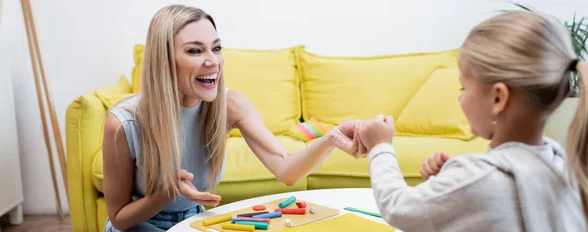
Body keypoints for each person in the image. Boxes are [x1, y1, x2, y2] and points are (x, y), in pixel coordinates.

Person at [101, 5, 354, 231]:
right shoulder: (124, 123)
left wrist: (331, 139)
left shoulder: (229, 105)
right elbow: (120, 218)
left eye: (217, 48)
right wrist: (167, 192)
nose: (213, 61)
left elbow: (287, 169)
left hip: (194, 220)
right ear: (165, 60)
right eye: (195, 51)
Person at [334, 11, 588, 231]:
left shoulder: (478, 176)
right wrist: (450, 180)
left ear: (498, 97)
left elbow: (398, 208)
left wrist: (380, 147)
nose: (460, 99)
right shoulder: (560, 165)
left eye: (463, 87)